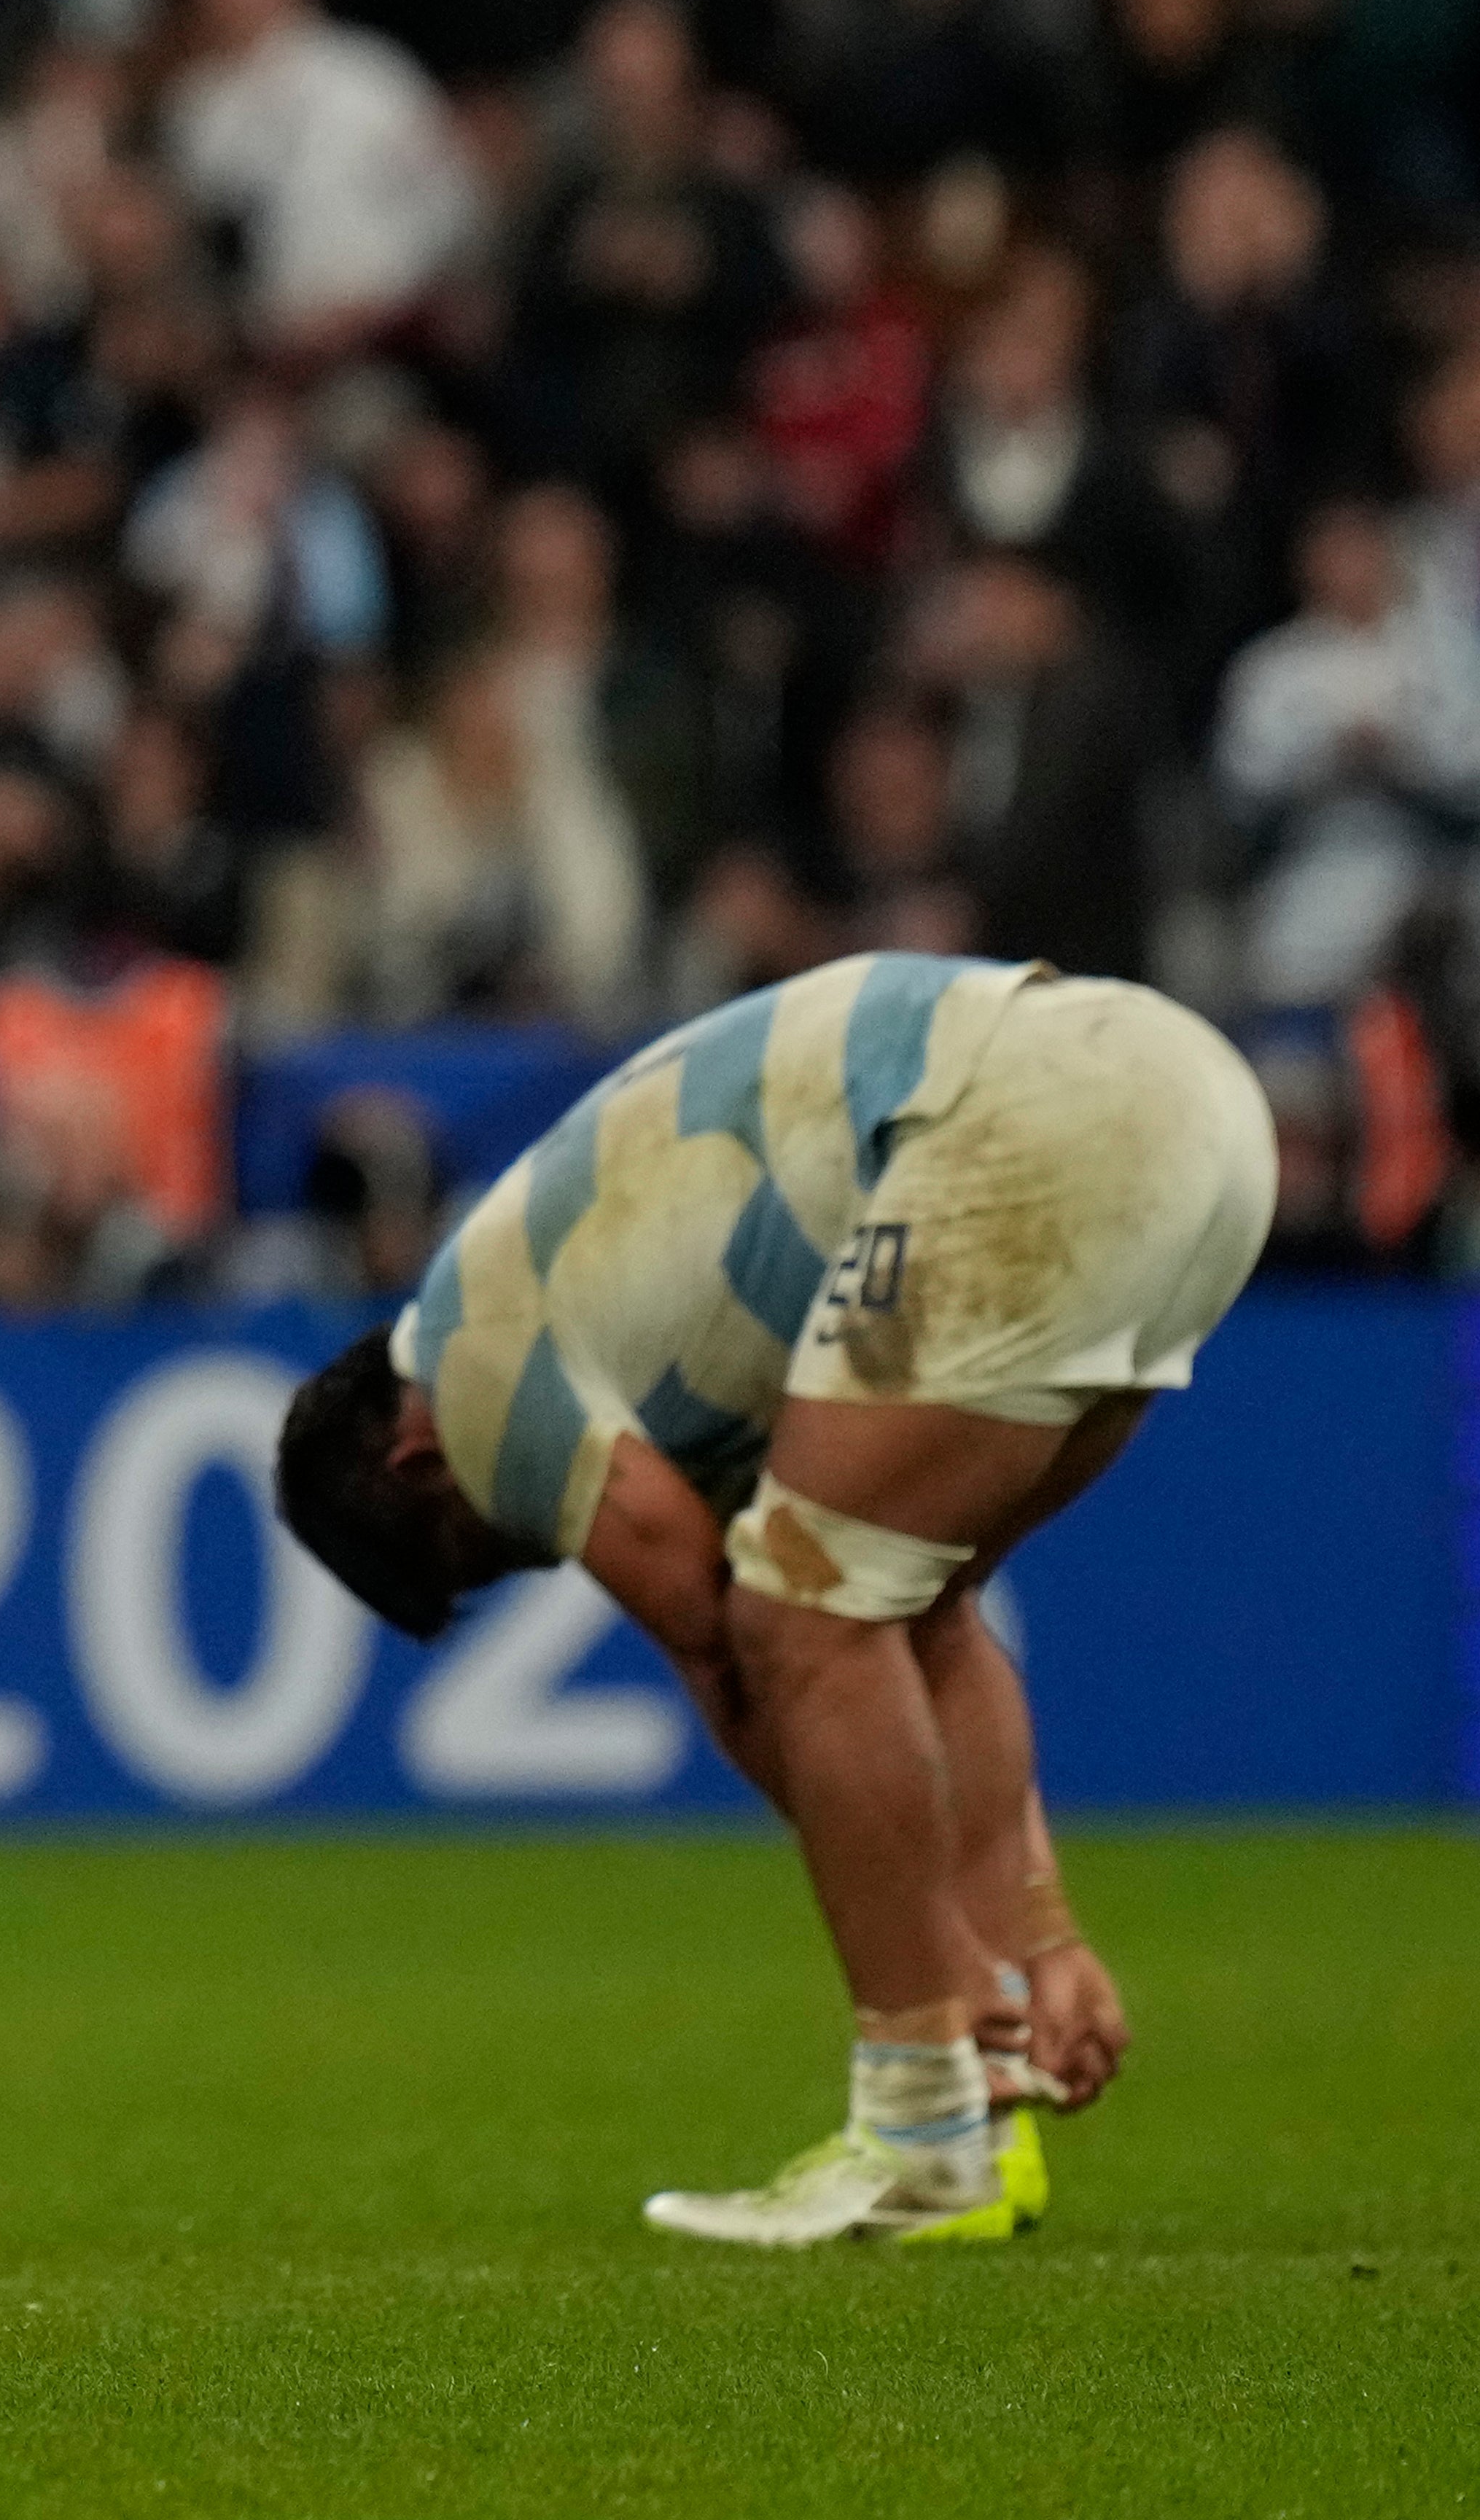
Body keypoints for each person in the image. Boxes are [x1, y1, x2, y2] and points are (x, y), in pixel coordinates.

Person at [274, 952, 1274, 2246]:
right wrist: (1033, 1935)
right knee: (907, 1601)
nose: (548, 1543)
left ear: (413, 1463)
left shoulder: (474, 1364)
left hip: (1016, 1119)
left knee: (793, 1614)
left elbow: (728, 1644)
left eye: (495, 1543)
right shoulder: (623, 1332)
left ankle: (919, 2128)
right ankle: (984, 2110)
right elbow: (906, 1645)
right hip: (1192, 1100)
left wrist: (934, 1949)